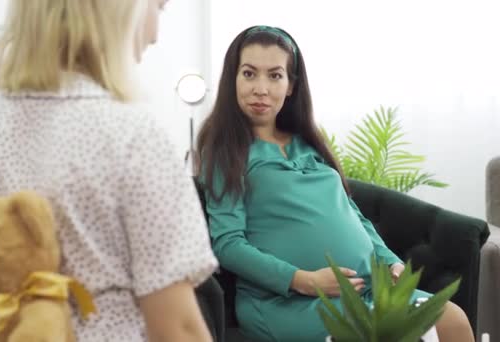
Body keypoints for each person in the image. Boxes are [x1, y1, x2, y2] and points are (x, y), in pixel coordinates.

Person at [0, 0, 219, 341]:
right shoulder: (135, 138)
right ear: (120, 11)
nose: (154, 34)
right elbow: (178, 328)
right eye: (158, 9)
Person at [196, 25, 474, 342]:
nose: (261, 88)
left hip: (366, 289)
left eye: (274, 75)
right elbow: (228, 244)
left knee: (453, 319)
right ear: (232, 79)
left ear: (290, 86)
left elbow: (353, 214)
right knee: (389, 331)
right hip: (290, 302)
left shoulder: (309, 143)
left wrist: (391, 262)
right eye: (249, 74)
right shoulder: (225, 152)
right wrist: (303, 280)